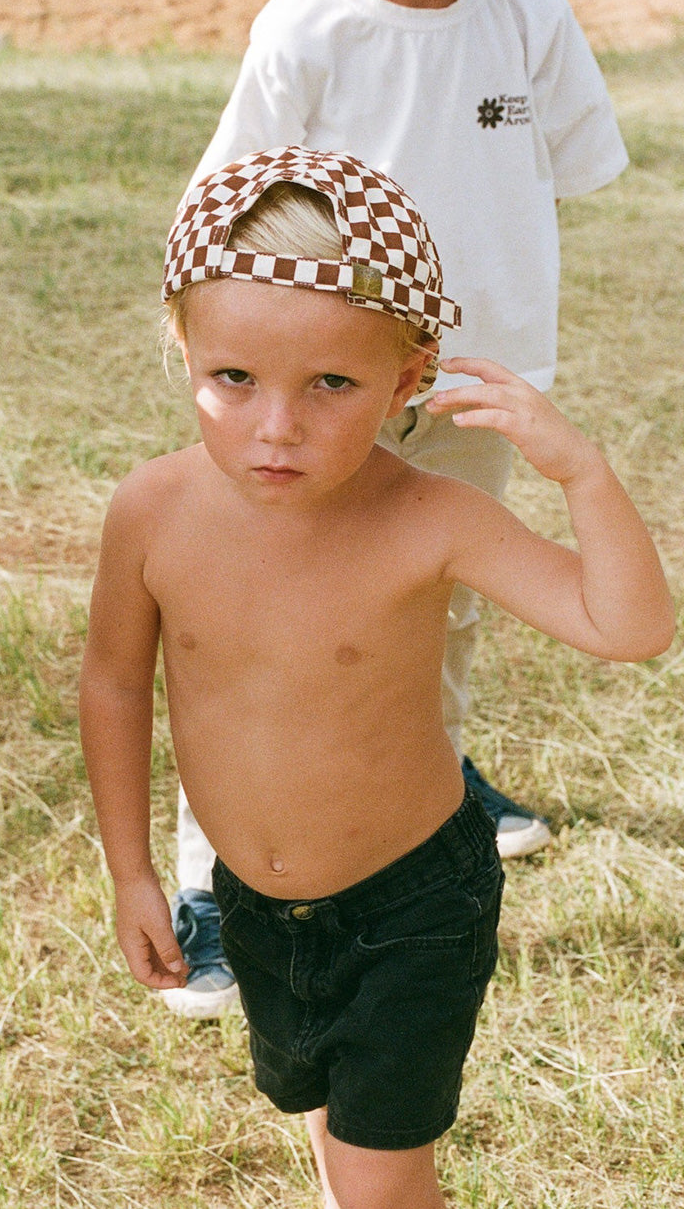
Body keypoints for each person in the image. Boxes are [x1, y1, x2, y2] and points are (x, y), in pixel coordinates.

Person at [79, 148, 673, 1209]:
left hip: (412, 908)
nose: (278, 426)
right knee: (318, 1107)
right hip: (253, 904)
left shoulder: (431, 519)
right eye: (234, 379)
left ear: (409, 378)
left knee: (383, 1179)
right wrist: (134, 871)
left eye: (332, 385)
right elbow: (116, 685)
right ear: (184, 348)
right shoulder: (151, 513)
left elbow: (626, 627)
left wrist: (580, 470)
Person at [167, 0, 631, 1017]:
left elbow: (554, 171)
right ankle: (216, 886)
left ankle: (427, 801)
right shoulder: (308, 31)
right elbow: (229, 218)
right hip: (328, 398)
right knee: (270, 633)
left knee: (440, 613)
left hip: (476, 386)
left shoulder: (528, 9)